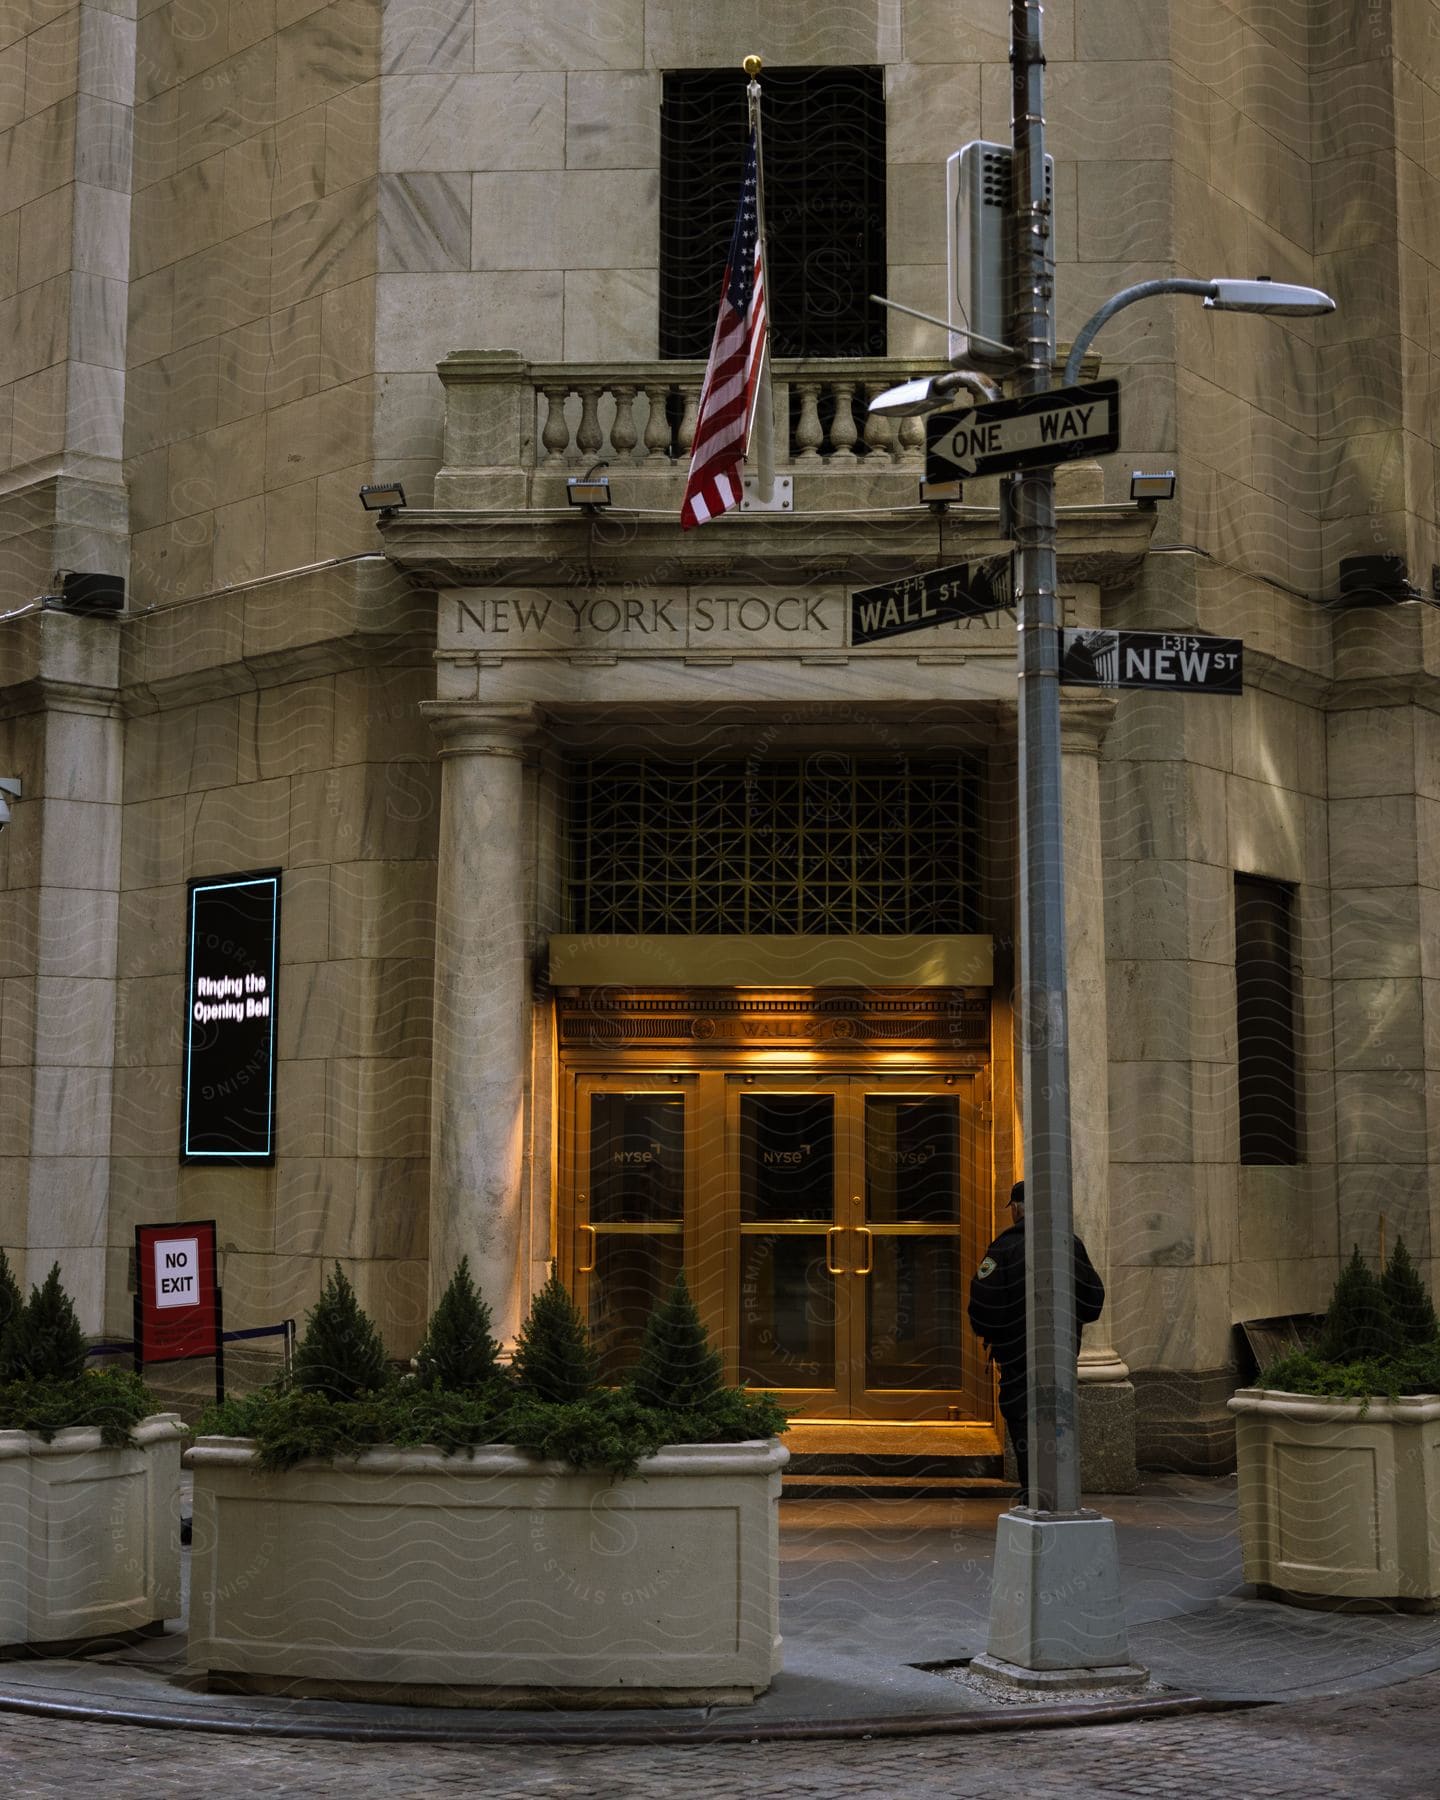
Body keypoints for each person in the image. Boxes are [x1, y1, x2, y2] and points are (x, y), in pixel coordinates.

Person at [967, 1179, 1105, 1505]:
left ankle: (1034, 1491)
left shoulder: (1003, 1248)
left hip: (1016, 1354)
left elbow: (982, 1305)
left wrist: (997, 1334)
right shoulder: (1070, 1244)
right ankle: (1060, 1489)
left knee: (1020, 1414)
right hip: (1060, 1351)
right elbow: (1093, 1299)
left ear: (1016, 1209)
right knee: (1056, 1412)